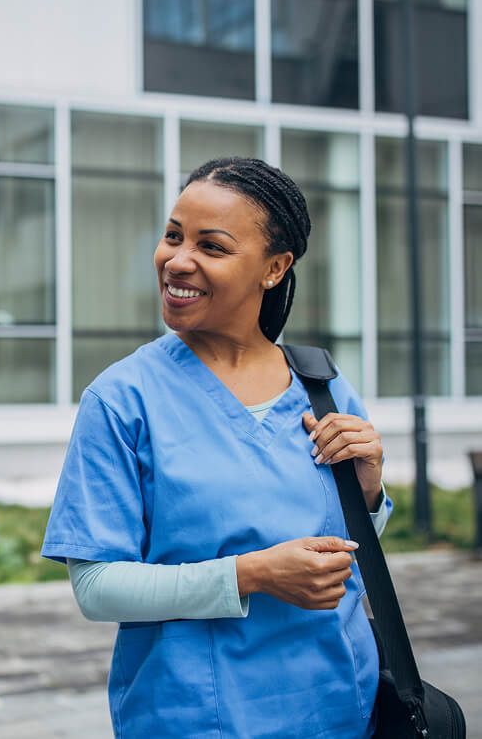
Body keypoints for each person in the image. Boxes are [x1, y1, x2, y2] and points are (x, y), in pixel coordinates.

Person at [42, 157, 391, 738]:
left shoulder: (324, 388)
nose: (178, 260)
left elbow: (349, 557)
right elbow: (96, 588)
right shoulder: (123, 399)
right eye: (173, 235)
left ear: (275, 268)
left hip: (337, 710)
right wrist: (250, 574)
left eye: (212, 246)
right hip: (193, 718)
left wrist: (369, 494)